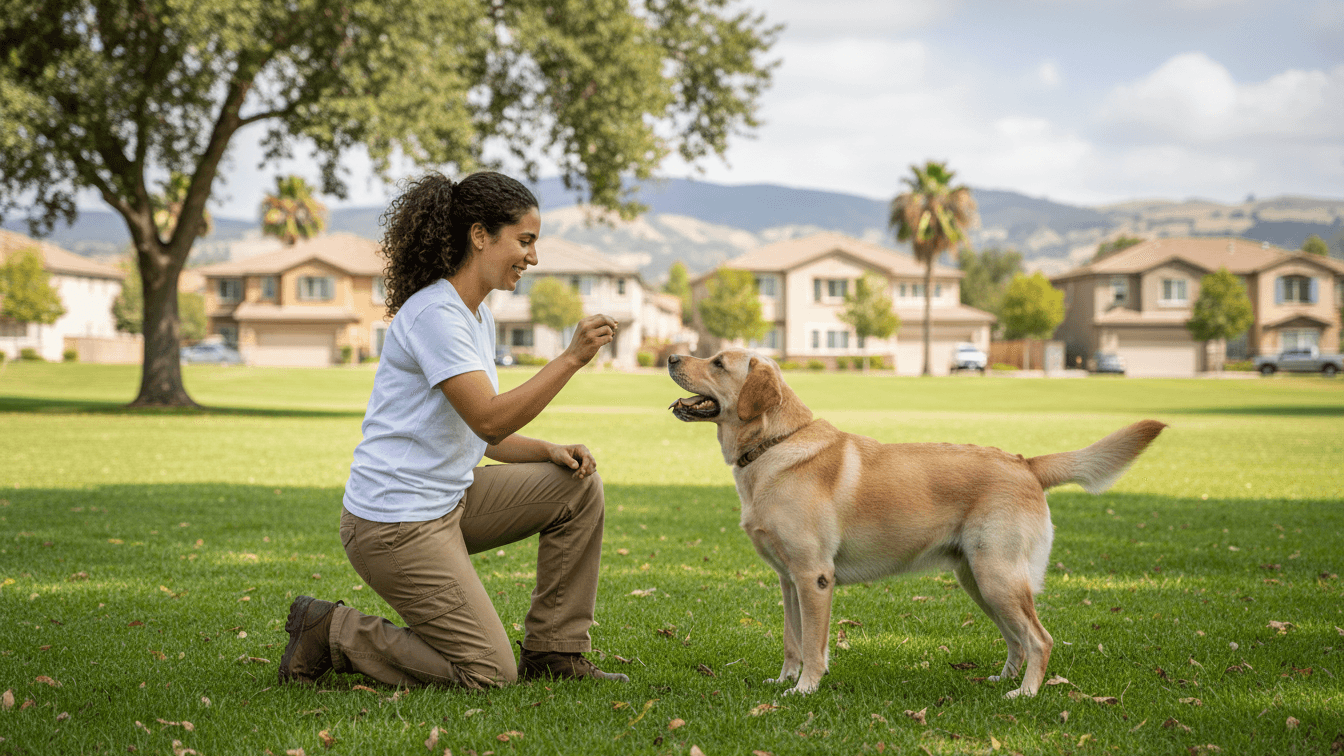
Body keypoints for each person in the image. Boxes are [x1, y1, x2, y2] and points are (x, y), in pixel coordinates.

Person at [277, 171, 627, 690]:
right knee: (486, 673)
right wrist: (572, 358)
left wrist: (548, 450)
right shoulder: (435, 315)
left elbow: (483, 435)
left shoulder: (475, 315)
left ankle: (555, 650)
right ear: (480, 235)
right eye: (525, 241)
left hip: (448, 502)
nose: (532, 257)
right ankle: (332, 630)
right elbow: (489, 417)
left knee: (576, 487)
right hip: (394, 525)